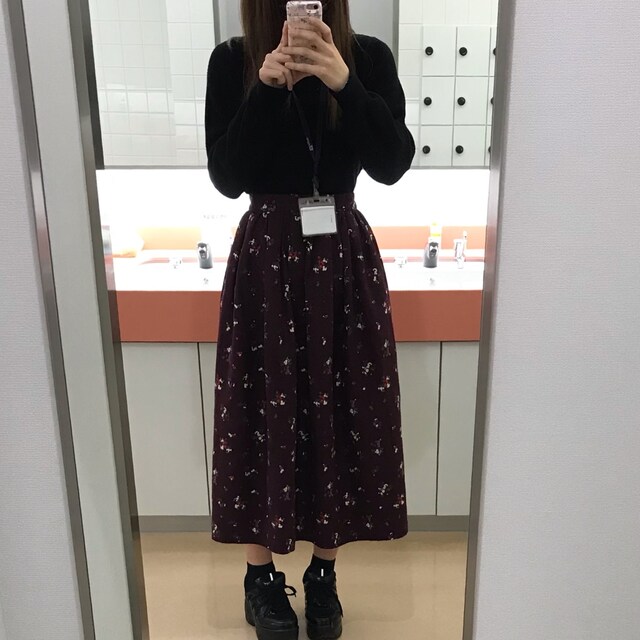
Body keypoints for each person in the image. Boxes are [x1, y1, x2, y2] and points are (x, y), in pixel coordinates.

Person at [204, 1, 414, 638]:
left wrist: (346, 83)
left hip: (341, 260)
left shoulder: (367, 57)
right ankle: (260, 578)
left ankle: (324, 571)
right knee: (257, 411)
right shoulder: (233, 62)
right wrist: (267, 89)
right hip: (265, 261)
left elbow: (393, 162)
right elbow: (227, 177)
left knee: (343, 410)